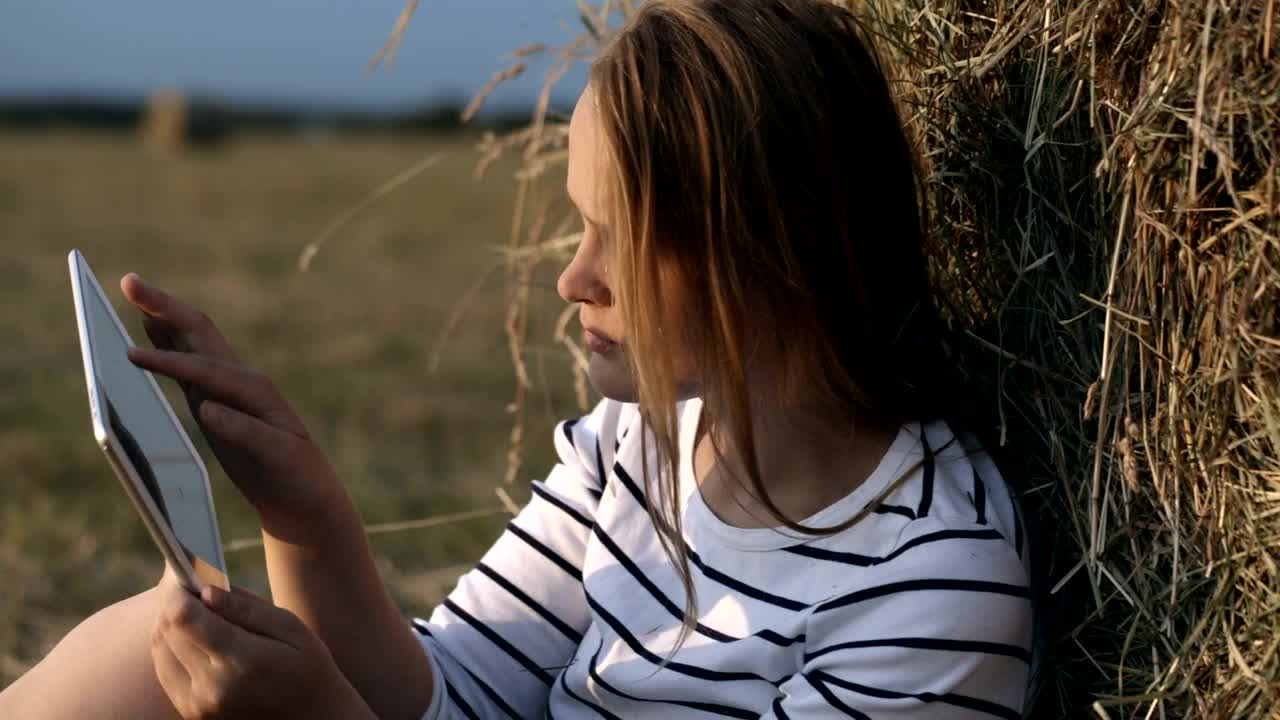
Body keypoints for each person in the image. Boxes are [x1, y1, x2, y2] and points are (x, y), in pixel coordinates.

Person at [0, 1, 1036, 717]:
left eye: (617, 234)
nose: (572, 278)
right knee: (156, 640)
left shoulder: (929, 581)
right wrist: (303, 515)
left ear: (769, 255)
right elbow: (454, 698)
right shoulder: (634, 447)